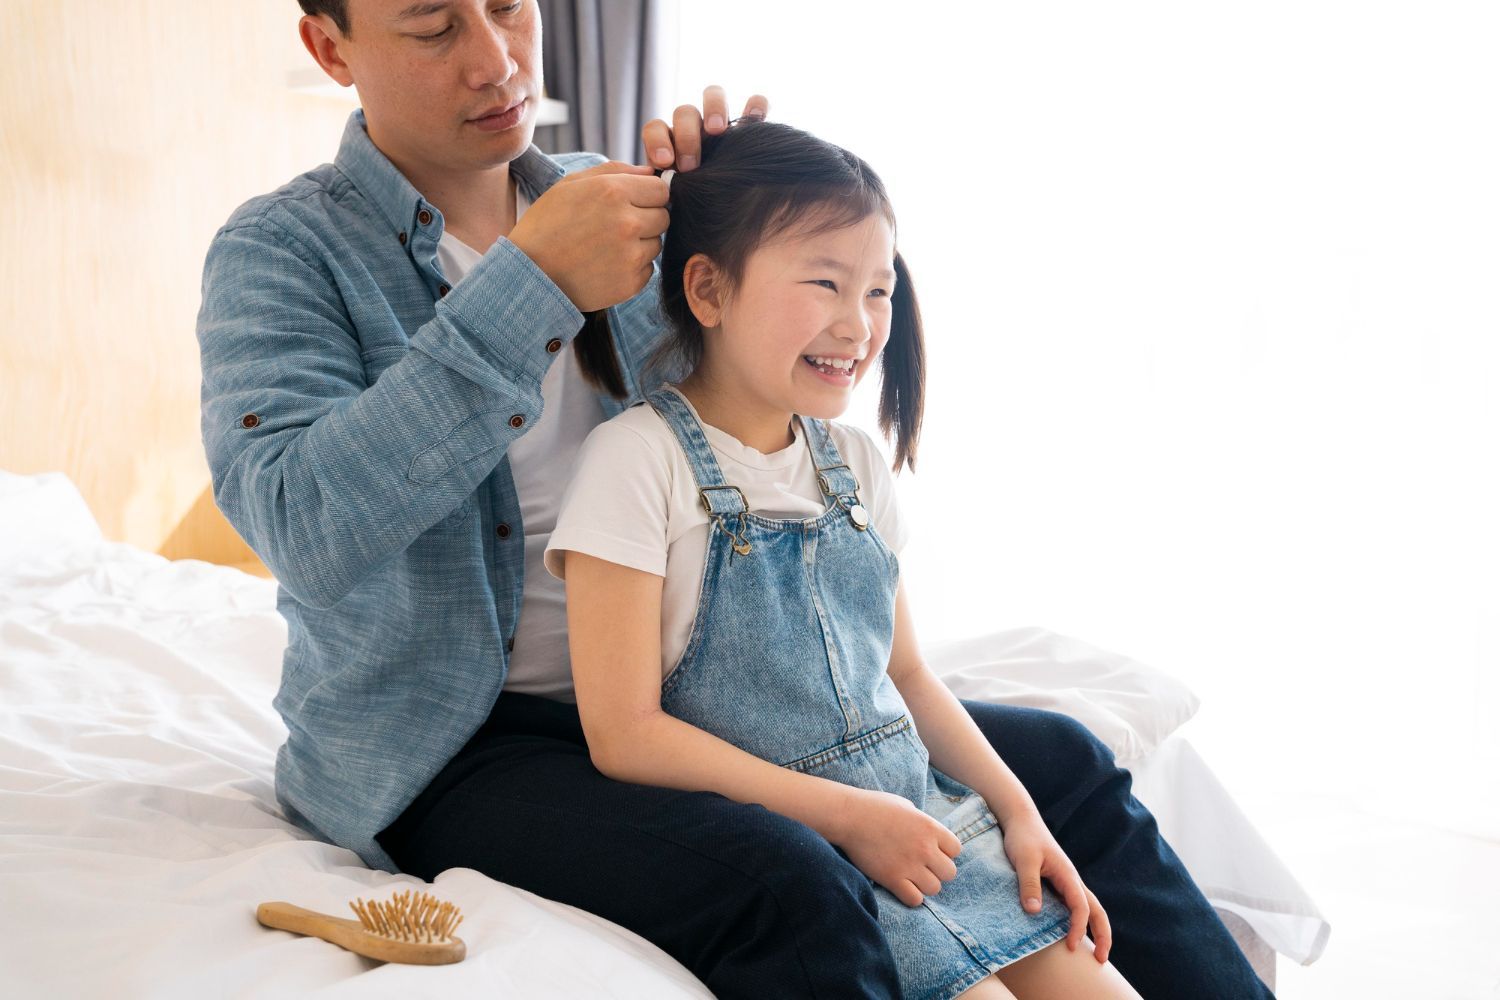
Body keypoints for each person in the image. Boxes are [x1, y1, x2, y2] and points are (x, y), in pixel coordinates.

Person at [194, 1, 1276, 997]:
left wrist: (748, 202)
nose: (494, 56)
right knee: (785, 877)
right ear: (331, 49)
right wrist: (534, 284)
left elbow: (775, 372)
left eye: (511, 5)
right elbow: (301, 522)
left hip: (710, 692)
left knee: (1065, 764)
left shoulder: (631, 208)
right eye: (432, 26)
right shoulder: (281, 253)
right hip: (463, 741)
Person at [542, 119, 1143, 1000]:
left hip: (928, 830)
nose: (858, 325)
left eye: (878, 290)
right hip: (814, 855)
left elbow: (907, 675)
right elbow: (623, 734)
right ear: (707, 290)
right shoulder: (638, 462)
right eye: (824, 282)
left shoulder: (853, 460)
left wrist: (1019, 813)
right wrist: (850, 817)